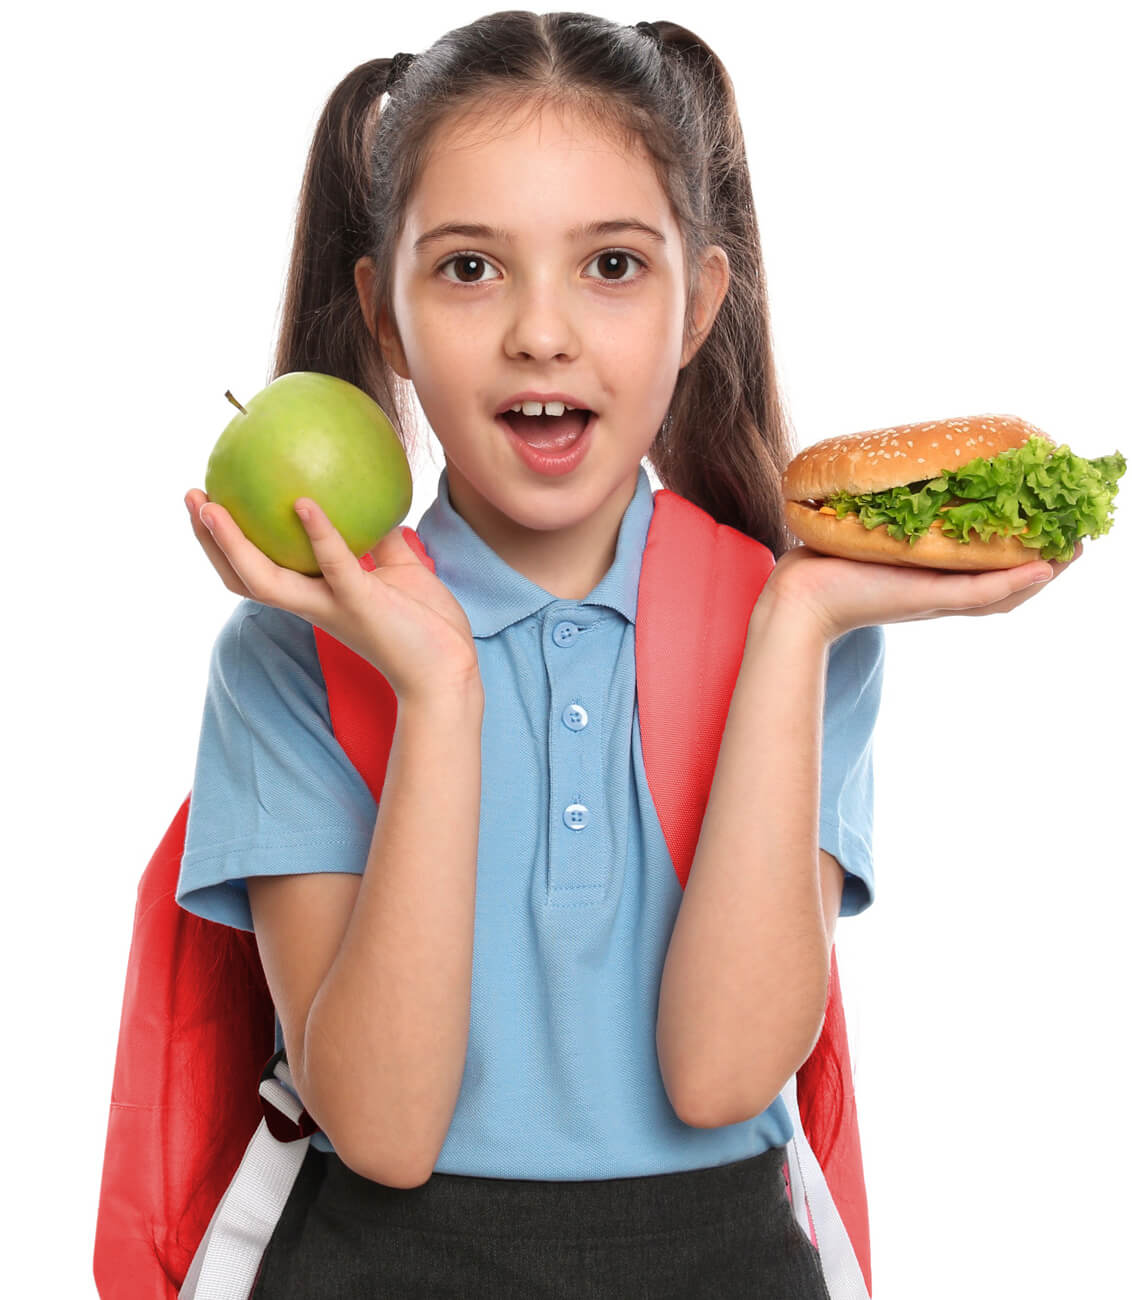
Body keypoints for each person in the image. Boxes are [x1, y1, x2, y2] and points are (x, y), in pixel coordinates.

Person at [176, 12, 1076, 1298]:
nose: (542, 332)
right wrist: (435, 696)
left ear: (699, 301)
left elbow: (721, 1073)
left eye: (610, 264)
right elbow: (378, 1126)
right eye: (471, 269)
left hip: (727, 1258)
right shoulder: (292, 656)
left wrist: (799, 626)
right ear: (384, 315)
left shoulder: (794, 625)